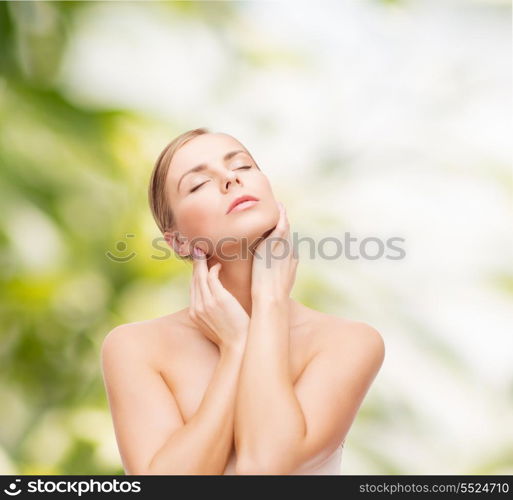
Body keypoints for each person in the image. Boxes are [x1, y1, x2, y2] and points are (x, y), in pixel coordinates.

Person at [101, 127, 385, 475]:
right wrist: (235, 347)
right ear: (177, 242)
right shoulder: (135, 347)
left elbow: (265, 466)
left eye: (243, 166)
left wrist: (269, 303)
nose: (230, 180)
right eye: (198, 184)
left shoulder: (347, 342)